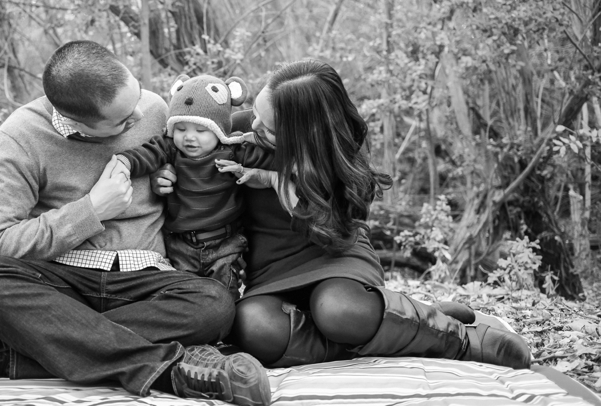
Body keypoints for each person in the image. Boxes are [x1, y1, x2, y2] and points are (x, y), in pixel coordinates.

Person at [0, 41, 271, 406]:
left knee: (215, 303)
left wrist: (170, 180)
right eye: (123, 121)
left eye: (137, 96)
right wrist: (90, 210)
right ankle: (171, 371)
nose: (140, 114)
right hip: (63, 282)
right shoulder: (20, 137)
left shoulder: (156, 110)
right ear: (77, 123)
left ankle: (20, 349)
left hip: (147, 281)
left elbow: (206, 148)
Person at [154, 59, 532, 370]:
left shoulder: (339, 159)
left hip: (334, 258)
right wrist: (166, 176)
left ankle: (459, 339)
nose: (252, 126)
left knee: (337, 310)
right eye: (256, 115)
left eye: (269, 128)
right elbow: (180, 154)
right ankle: (403, 324)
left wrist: (280, 179)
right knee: (253, 329)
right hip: (268, 271)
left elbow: (334, 230)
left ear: (307, 134)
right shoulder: (232, 133)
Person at [116, 74, 274, 301]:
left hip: (224, 243)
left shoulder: (232, 151)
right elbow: (147, 153)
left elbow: (270, 157)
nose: (189, 138)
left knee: (226, 294)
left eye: (201, 131)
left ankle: (228, 320)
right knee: (184, 296)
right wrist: (125, 162)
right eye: (181, 129)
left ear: (219, 131)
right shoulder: (171, 149)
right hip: (181, 244)